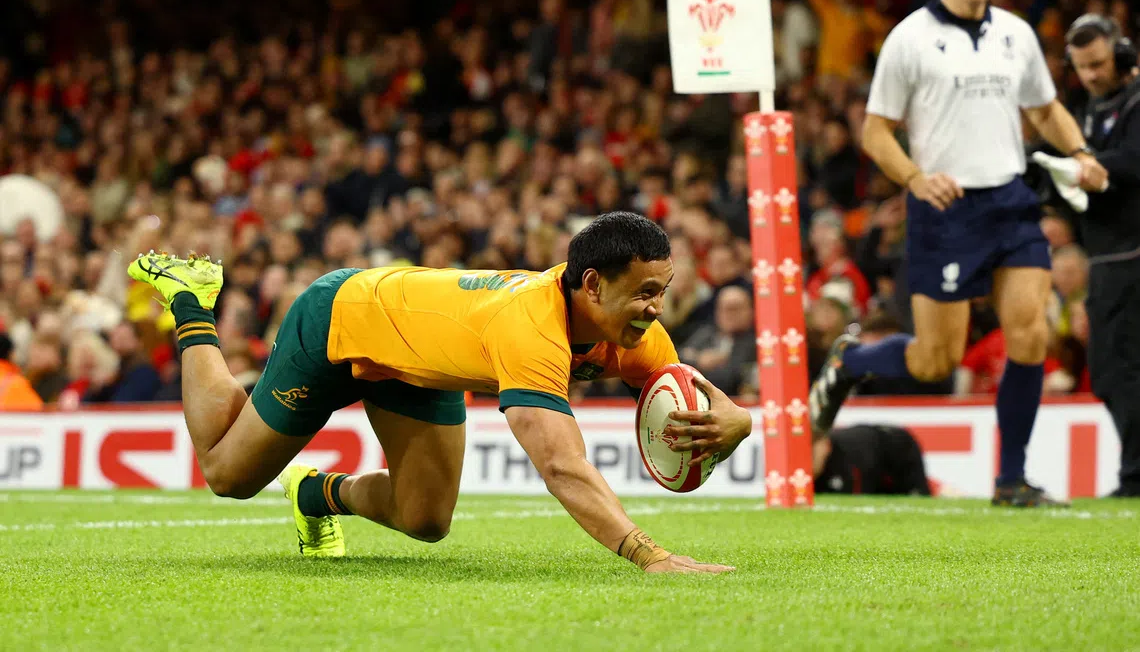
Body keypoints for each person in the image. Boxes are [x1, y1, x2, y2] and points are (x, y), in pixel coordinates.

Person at [127, 212, 752, 570]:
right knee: (227, 475)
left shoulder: (639, 333)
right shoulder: (532, 328)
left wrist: (738, 424)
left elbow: (691, 398)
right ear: (592, 285)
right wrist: (649, 555)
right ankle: (192, 302)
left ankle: (314, 494)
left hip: (420, 364)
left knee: (425, 520)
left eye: (662, 290)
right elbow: (561, 465)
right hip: (342, 320)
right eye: (645, 292)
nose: (657, 307)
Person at [808, 0, 1109, 507]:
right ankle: (852, 360)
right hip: (943, 210)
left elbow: (1045, 109)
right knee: (933, 359)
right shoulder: (910, 38)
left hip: (1010, 202)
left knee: (1031, 332)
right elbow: (875, 132)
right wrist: (915, 180)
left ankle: (1011, 479)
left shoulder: (1016, 35)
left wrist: (1079, 152)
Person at [1059, 13, 1140, 497]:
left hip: (1133, 255)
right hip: (1107, 256)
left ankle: (1135, 477)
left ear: (1122, 55)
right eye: (1082, 66)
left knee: (1124, 367)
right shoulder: (1089, 109)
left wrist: (1089, 166)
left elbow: (1134, 160)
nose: (1090, 75)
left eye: (1098, 63)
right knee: (1109, 373)